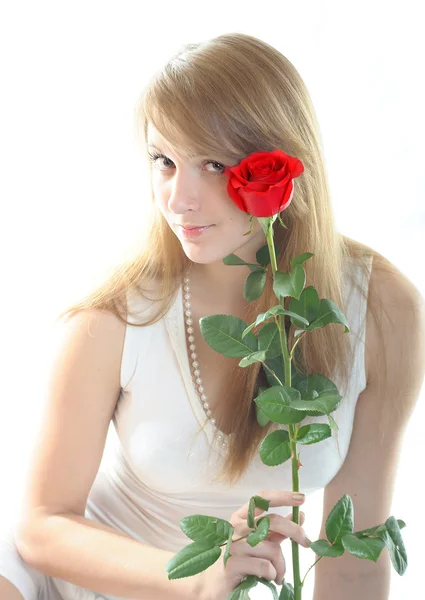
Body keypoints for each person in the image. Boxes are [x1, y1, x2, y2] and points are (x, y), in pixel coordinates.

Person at [1, 32, 424, 600]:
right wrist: (197, 580)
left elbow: (353, 556)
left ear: (281, 166)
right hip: (79, 577)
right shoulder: (114, 316)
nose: (178, 198)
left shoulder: (382, 310)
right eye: (164, 161)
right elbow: (41, 526)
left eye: (214, 162)